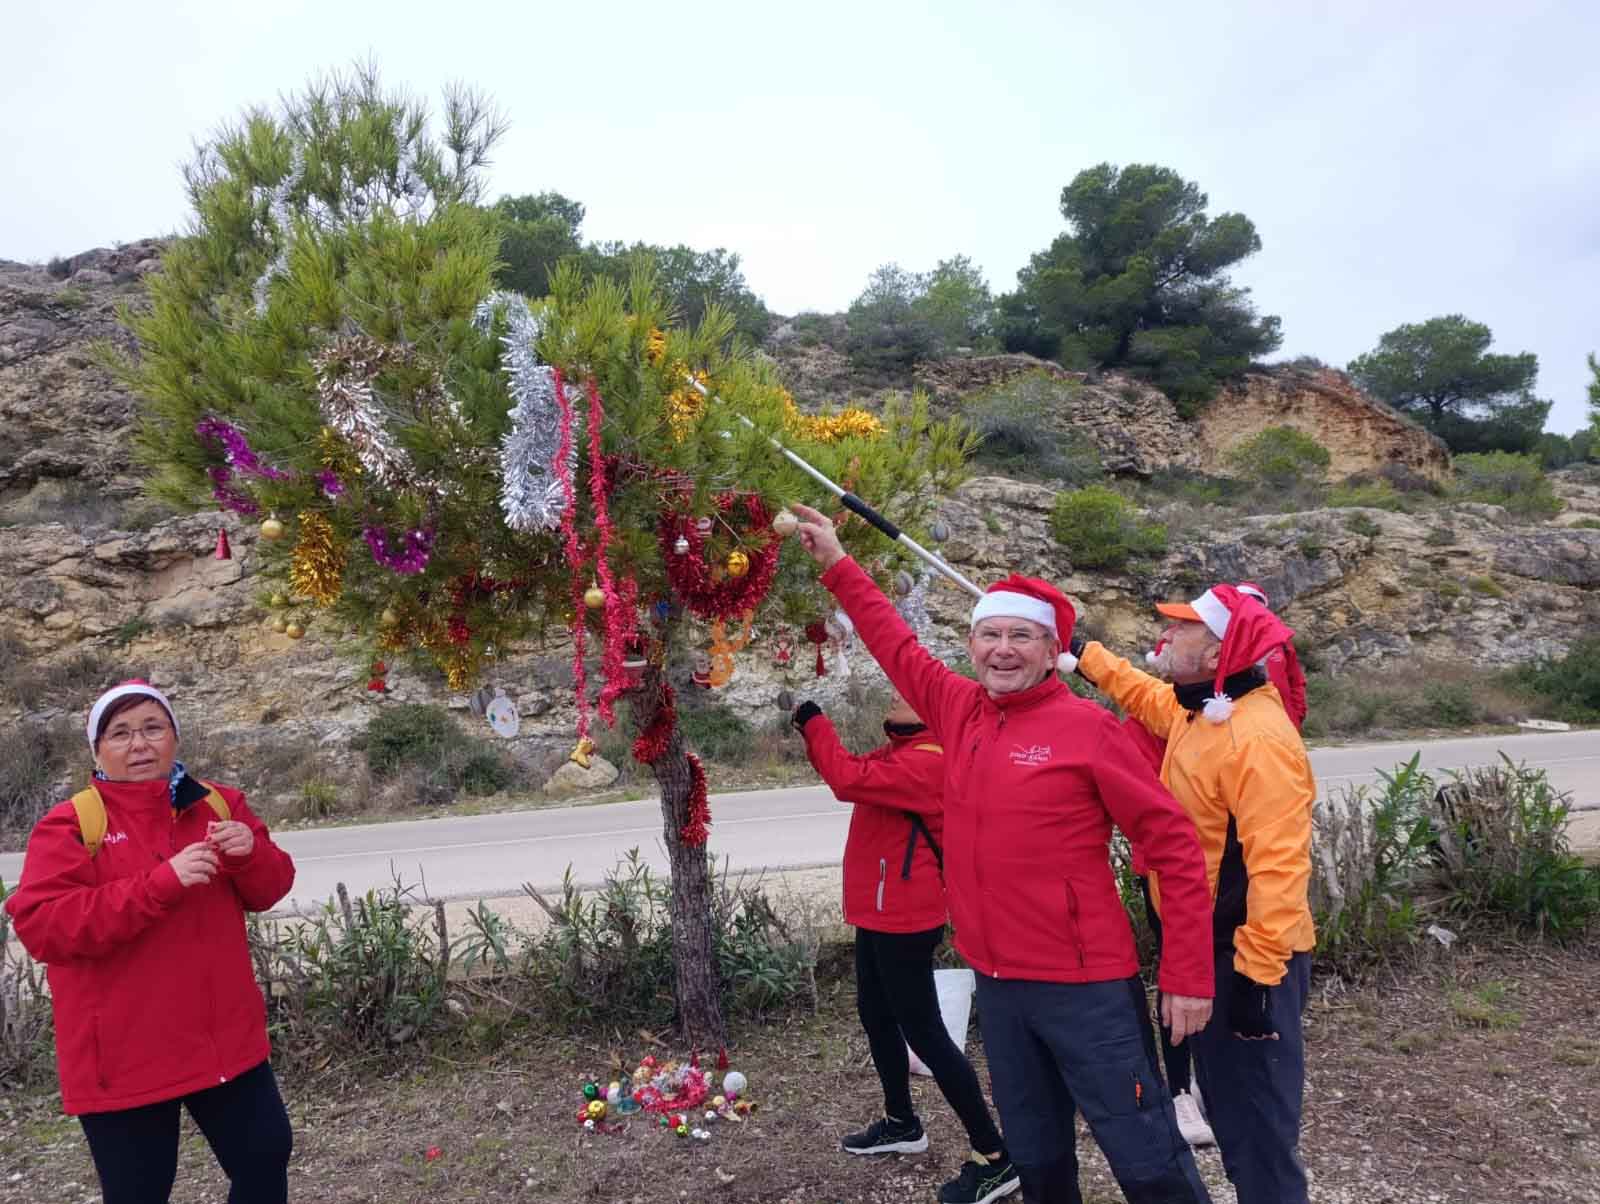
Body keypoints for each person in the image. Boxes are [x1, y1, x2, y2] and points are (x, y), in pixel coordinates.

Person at [789, 504, 1216, 1204]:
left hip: (1087, 988)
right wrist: (838, 562)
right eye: (990, 635)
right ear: (973, 644)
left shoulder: (1089, 729)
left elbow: (1172, 842)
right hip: (999, 984)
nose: (1003, 649)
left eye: (1022, 635)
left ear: (1052, 651)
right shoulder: (958, 710)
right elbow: (894, 642)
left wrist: (1189, 972)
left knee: (1147, 1161)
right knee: (1042, 1162)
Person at [5, 680, 297, 1204]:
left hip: (223, 1042)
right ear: (97, 750)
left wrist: (250, 852)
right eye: (120, 733)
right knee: (140, 1193)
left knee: (266, 1156)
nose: (139, 744)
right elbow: (44, 927)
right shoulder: (71, 824)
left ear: (175, 738)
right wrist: (159, 884)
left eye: (152, 728)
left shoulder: (219, 804)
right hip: (123, 1057)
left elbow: (270, 887)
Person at [1071, 586, 1317, 1204]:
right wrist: (1084, 654)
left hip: (1247, 959)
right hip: (1206, 946)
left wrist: (1257, 983)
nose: (1166, 638)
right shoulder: (1200, 710)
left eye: (1181, 631)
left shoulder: (1255, 738)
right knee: (1232, 1111)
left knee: (1257, 1126)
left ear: (1214, 654)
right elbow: (1143, 695)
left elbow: (1279, 871)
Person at [796, 689, 1019, 1203]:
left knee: (927, 1034)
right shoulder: (904, 751)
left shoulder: (929, 761)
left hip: (905, 916)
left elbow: (846, 779)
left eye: (906, 692)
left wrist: (813, 720)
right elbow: (849, 766)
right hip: (879, 909)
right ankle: (902, 1122)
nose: (893, 694)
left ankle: (994, 1156)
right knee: (875, 1014)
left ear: (931, 710)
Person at [1233, 582, 1307, 730]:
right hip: (1243, 725)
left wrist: (1296, 715)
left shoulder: (1281, 642)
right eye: (1243, 601)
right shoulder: (1225, 641)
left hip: (1283, 722)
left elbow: (1296, 681)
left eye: (1254, 601)